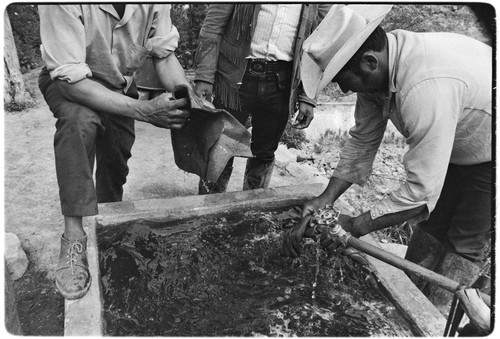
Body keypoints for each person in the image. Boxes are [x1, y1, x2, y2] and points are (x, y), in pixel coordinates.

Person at [283, 4, 492, 313]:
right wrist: (325, 200)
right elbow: (363, 142)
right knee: (432, 228)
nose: (342, 89)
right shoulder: (380, 70)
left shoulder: (424, 87)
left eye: (343, 81)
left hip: (491, 151)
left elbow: (419, 194)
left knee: (463, 243)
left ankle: (435, 319)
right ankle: (405, 306)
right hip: (458, 140)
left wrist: (353, 226)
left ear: (369, 62)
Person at [38, 4, 192, 300]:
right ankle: (73, 237)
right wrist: (144, 111)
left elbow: (164, 55)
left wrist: (186, 97)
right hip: (70, 83)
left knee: (116, 159)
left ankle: (106, 230)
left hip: (120, 84)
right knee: (79, 123)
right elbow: (70, 80)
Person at [193, 3, 332, 194]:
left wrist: (308, 96)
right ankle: (207, 211)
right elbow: (212, 27)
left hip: (281, 82)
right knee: (220, 147)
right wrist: (204, 76)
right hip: (234, 78)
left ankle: (252, 211)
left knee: (264, 153)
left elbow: (322, 43)